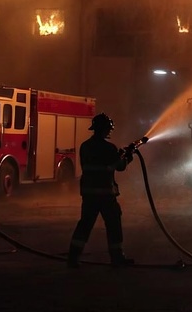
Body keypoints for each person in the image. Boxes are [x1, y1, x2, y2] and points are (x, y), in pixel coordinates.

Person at [67, 113, 135, 268]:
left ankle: (73, 257)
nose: (109, 131)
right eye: (108, 129)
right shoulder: (109, 148)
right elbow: (119, 166)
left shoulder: (85, 146)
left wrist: (119, 156)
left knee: (84, 225)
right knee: (113, 225)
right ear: (105, 129)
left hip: (89, 194)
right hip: (106, 195)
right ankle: (117, 258)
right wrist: (127, 157)